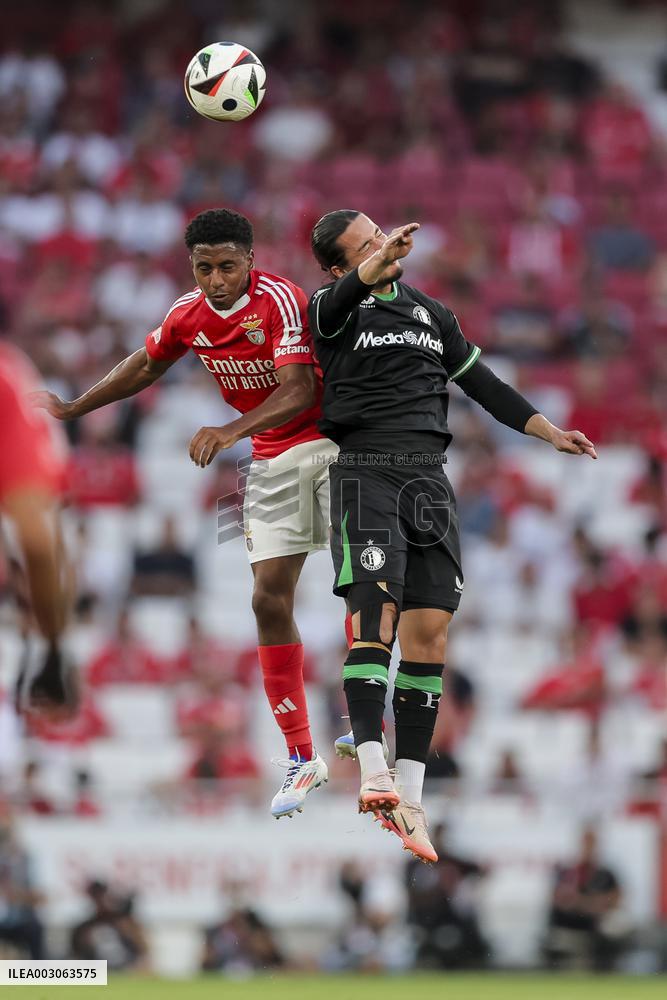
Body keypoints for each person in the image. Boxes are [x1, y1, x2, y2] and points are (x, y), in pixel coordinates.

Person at [308, 210, 597, 862]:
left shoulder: (430, 313)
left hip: (428, 481)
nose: (381, 245)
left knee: (431, 632)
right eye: (365, 245)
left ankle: (409, 796)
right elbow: (340, 299)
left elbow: (481, 382)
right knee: (371, 617)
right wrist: (368, 272)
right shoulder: (330, 308)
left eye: (379, 234)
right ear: (337, 266)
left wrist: (546, 430)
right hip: (367, 472)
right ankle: (372, 764)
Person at [33, 208, 338, 818]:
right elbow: (145, 365)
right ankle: (304, 757)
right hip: (272, 456)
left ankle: (368, 724)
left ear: (251, 260)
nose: (217, 279)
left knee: (360, 579)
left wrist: (229, 430)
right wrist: (74, 408)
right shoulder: (187, 314)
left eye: (228, 266)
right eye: (205, 268)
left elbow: (301, 389)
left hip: (336, 441)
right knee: (265, 601)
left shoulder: (282, 300)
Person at [0, 343, 73, 715]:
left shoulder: (7, 384)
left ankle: (53, 654)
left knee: (40, 543)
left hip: (28, 485)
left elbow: (39, 542)